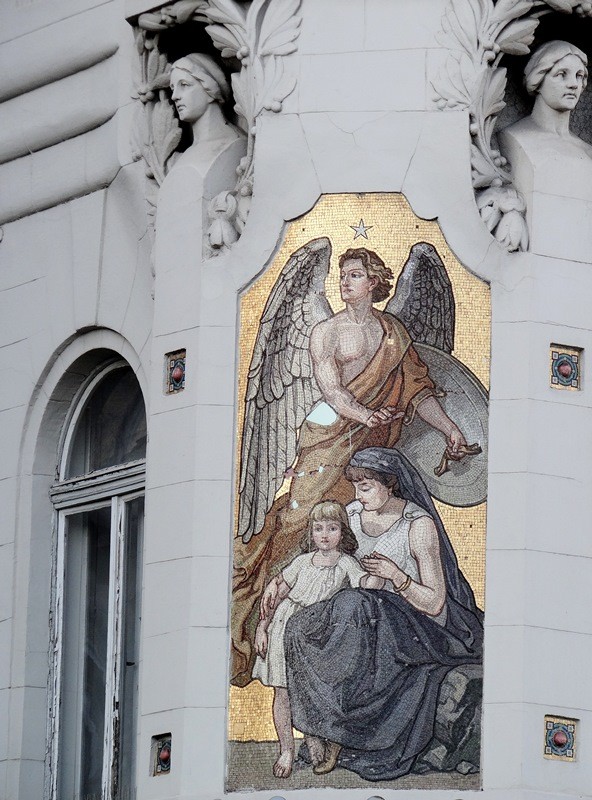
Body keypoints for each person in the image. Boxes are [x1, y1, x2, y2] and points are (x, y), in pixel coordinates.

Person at [231, 247, 468, 685]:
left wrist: (451, 429)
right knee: (298, 521)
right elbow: (331, 392)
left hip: (375, 446)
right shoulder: (326, 331)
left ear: (375, 282)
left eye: (355, 275)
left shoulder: (394, 333)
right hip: (328, 436)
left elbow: (419, 393)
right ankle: (253, 621)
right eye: (342, 276)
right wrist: (364, 415)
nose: (345, 283)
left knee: (351, 533)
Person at [283, 447, 484, 781]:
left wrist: (395, 575)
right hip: (359, 618)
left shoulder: (417, 525)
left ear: (391, 484)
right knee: (298, 626)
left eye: (366, 487)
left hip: (413, 626)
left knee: (355, 604)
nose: (358, 496)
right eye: (355, 487)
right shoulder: (350, 514)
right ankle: (322, 725)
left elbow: (435, 603)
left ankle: (340, 733)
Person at [252, 501, 383, 778]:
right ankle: (286, 749)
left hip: (318, 637)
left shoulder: (346, 562)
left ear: (342, 532)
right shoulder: (301, 562)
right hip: (284, 629)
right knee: (283, 692)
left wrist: (380, 577)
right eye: (318, 528)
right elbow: (276, 595)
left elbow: (364, 584)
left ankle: (314, 737)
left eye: (332, 528)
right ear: (311, 532)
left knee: (312, 692)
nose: (324, 535)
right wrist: (262, 627)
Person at [500, 40, 592, 165]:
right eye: (561, 74)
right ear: (537, 80)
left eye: (579, 75)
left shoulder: (587, 151)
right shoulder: (514, 138)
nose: (574, 84)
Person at [169, 53, 242, 151]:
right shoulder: (184, 155)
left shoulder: (235, 144)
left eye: (184, 85)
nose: (174, 96)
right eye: (173, 89)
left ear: (211, 89)